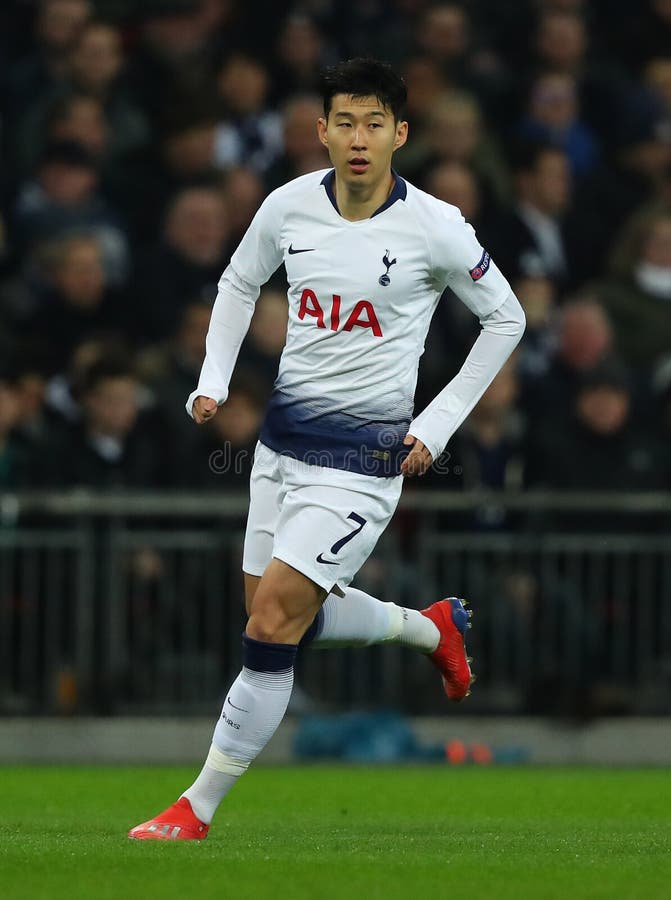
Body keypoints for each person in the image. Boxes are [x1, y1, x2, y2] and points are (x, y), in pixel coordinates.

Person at [129, 58, 525, 842]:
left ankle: (194, 807)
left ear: (399, 134)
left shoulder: (436, 226)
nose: (357, 137)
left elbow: (505, 318)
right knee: (278, 615)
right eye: (343, 121)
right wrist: (213, 378)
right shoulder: (287, 207)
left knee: (272, 621)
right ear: (321, 131)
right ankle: (427, 628)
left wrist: (436, 425)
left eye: (374, 123)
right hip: (280, 448)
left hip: (365, 460)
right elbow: (239, 284)